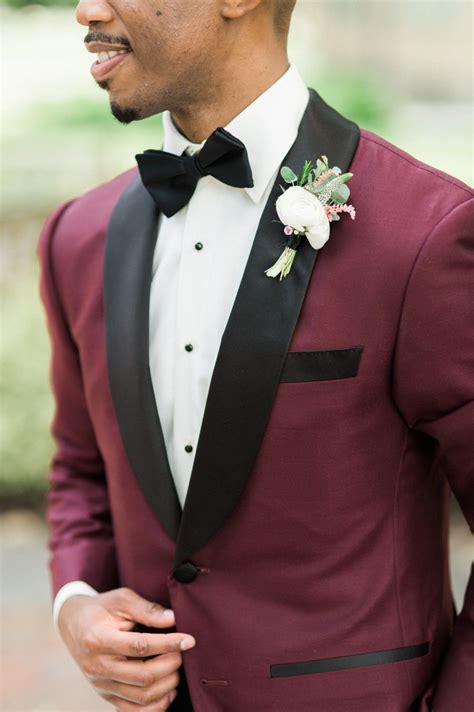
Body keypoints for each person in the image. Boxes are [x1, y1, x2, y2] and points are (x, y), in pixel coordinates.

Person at [37, 0, 473, 710]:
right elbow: (81, 471)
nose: (87, 8)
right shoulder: (76, 239)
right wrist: (75, 601)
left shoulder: (422, 235)